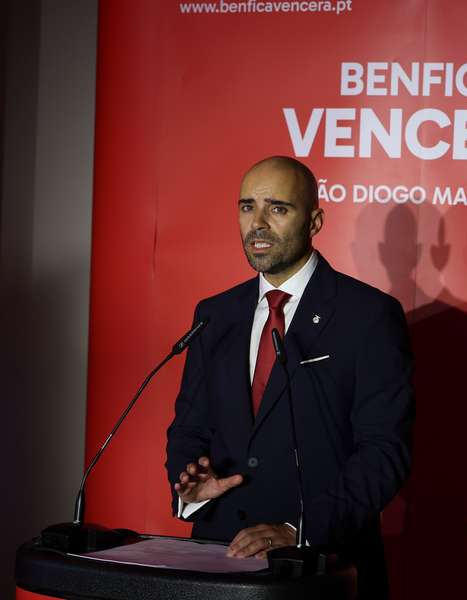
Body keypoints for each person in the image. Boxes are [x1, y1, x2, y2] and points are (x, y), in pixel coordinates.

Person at [165, 156, 415, 598]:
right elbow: (188, 428)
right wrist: (193, 489)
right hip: (216, 567)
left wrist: (300, 530)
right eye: (247, 207)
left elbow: (384, 452)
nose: (257, 223)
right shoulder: (214, 315)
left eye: (277, 208)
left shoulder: (369, 316)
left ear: (315, 220)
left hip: (320, 570)